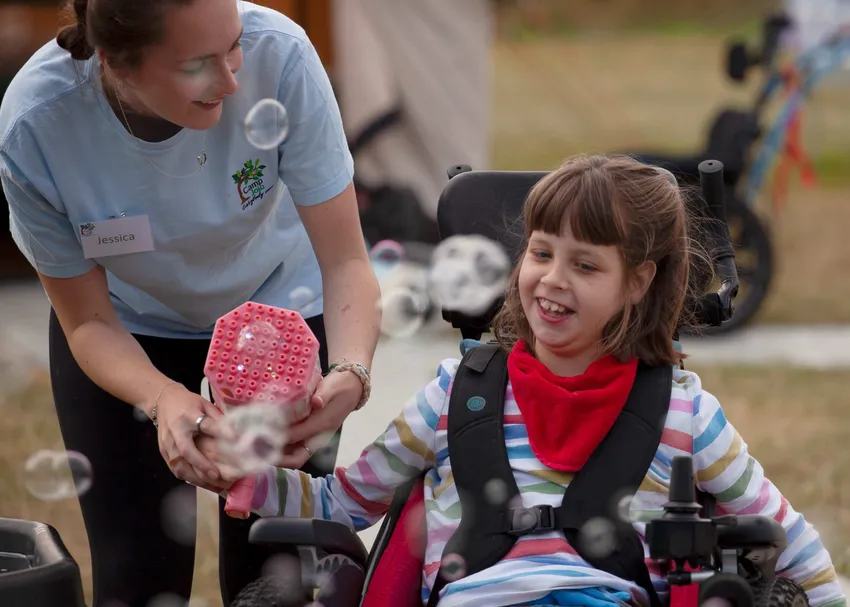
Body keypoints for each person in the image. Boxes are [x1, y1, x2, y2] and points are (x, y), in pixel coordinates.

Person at [199, 155, 845, 607]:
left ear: (638, 281)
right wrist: (248, 477)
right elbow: (343, 502)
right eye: (540, 252)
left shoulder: (683, 412)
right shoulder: (454, 394)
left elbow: (785, 537)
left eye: (585, 265)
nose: (552, 279)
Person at [0, 0, 380, 605]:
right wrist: (162, 398)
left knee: (276, 572)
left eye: (234, 46)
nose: (231, 80)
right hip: (127, 331)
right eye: (197, 64)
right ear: (115, 62)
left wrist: (352, 372)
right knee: (138, 575)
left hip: (278, 322)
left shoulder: (281, 54)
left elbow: (346, 263)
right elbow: (88, 321)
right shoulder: (37, 124)